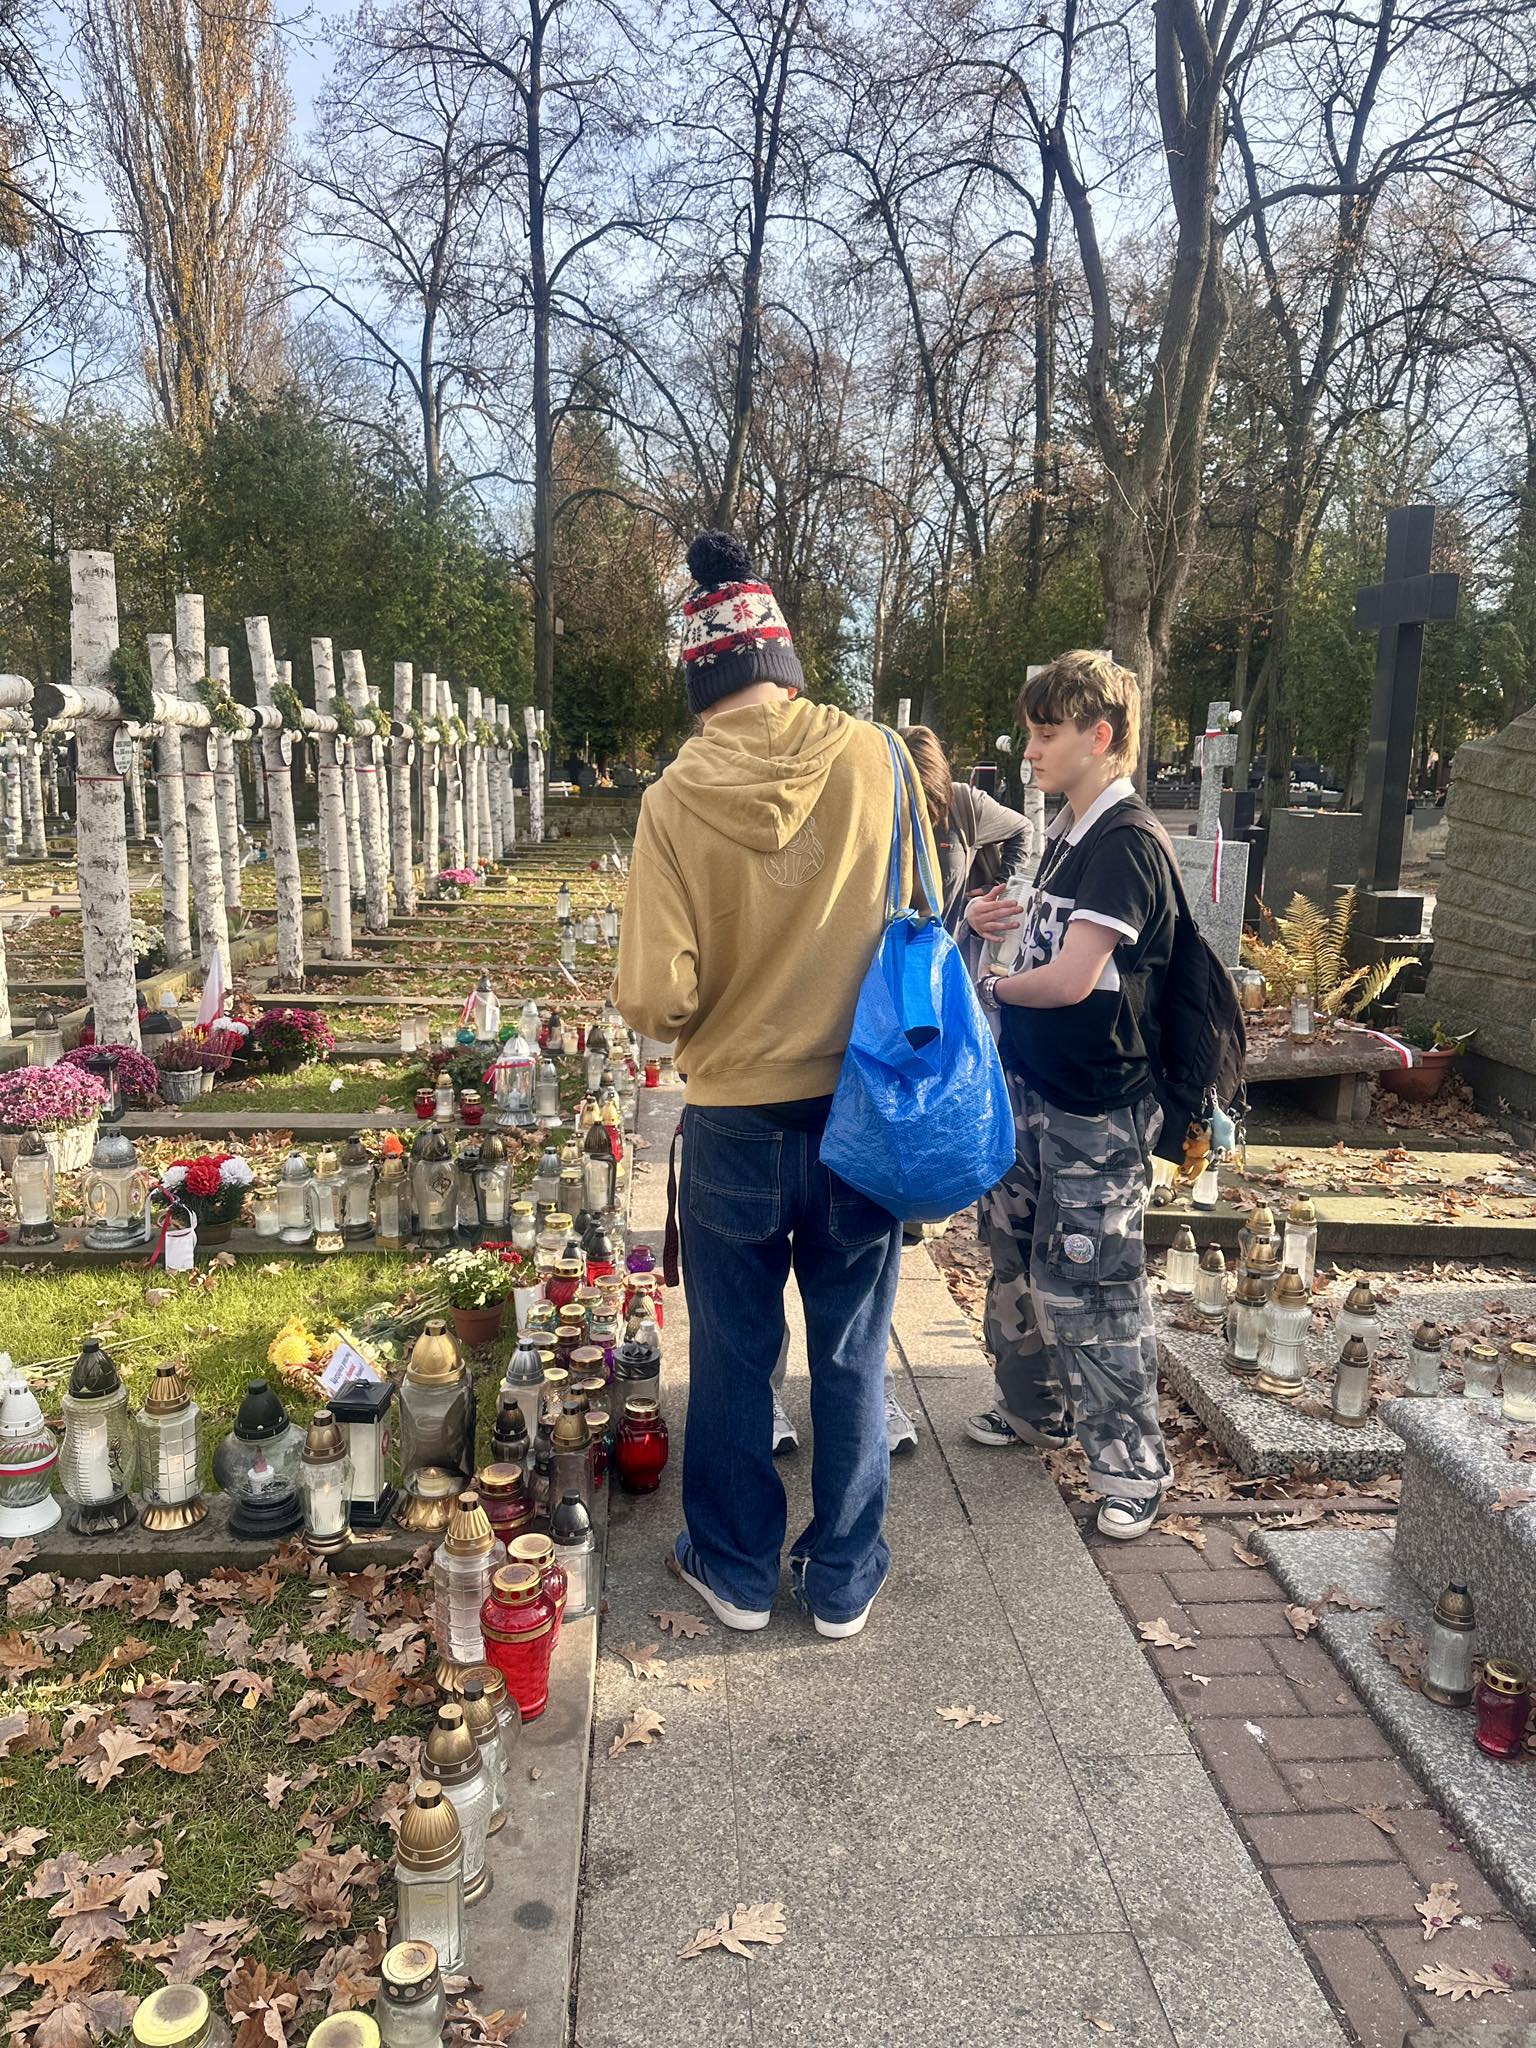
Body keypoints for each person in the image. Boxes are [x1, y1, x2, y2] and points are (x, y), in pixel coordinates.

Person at [615, 530, 939, 1637]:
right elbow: (924, 908)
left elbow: (655, 996)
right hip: (863, 1106)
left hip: (735, 1119)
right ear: (784, 662)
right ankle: (842, 1573)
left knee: (733, 1352)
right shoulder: (878, 758)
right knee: (852, 1350)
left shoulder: (674, 799)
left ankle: (738, 1567)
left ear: (700, 679)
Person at [963, 649, 1175, 1540]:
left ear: (1101, 735)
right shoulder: (1068, 833)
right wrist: (982, 924)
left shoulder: (1126, 843)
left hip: (1097, 1108)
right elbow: (1036, 942)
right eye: (1030, 732)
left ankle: (1132, 1467)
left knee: (1093, 1281)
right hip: (1033, 1090)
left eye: (1047, 733)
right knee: (1012, 1251)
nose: (1031, 749)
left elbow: (1072, 978)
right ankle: (1032, 1409)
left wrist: (986, 989)